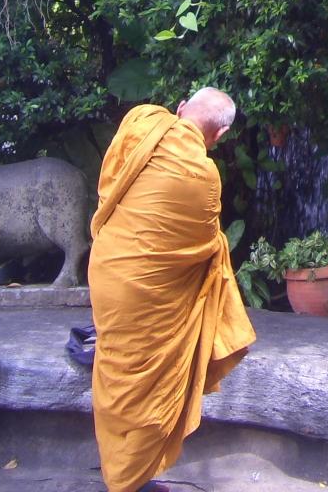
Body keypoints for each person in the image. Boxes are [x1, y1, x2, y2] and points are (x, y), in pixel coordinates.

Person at [89, 87, 255, 492]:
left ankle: (123, 472)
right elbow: (204, 245)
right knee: (146, 384)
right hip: (149, 296)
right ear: (220, 134)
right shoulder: (204, 175)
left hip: (108, 270)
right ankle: (129, 478)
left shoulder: (140, 121)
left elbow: (110, 180)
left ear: (181, 108)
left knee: (116, 367)